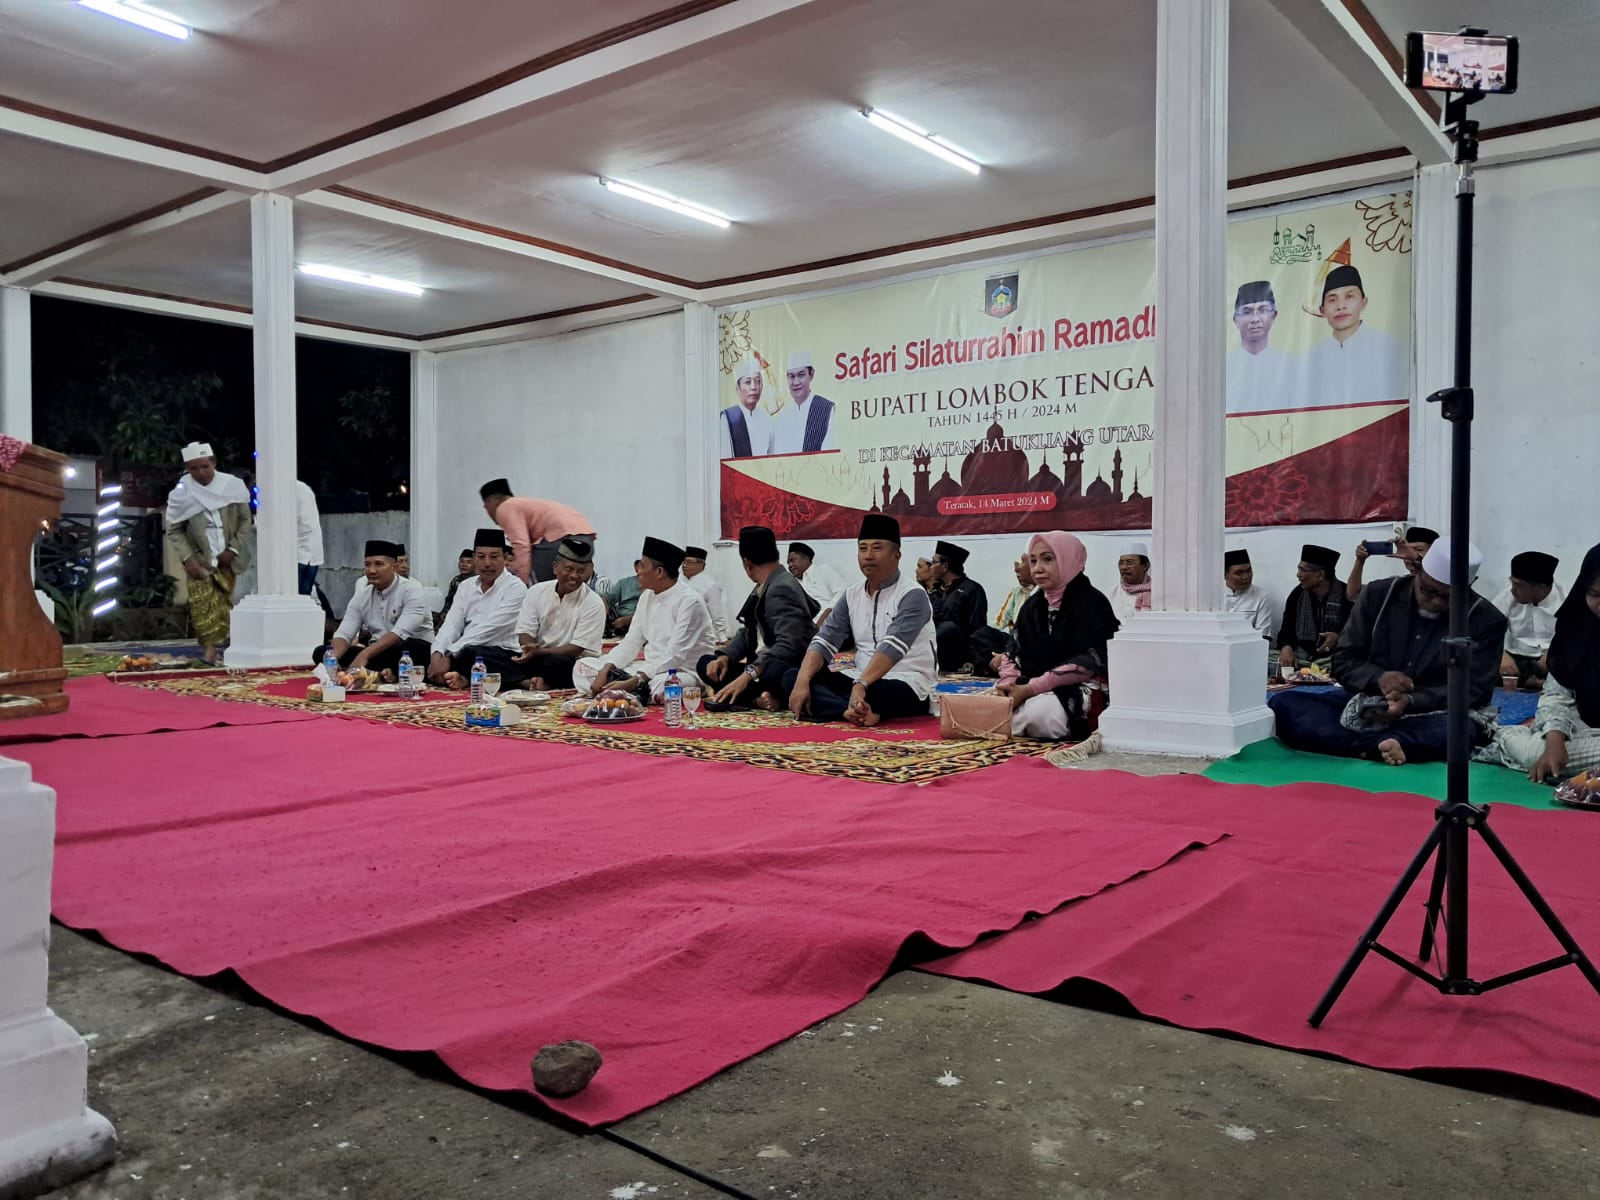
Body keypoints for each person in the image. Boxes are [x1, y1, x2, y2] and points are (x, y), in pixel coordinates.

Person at [1269, 539, 1506, 765]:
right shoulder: (1378, 595)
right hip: (1365, 704)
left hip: (1431, 713)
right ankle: (1386, 746)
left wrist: (1412, 700)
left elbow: (1476, 690)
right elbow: (1343, 660)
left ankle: (1367, 744)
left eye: (1447, 597)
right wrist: (1378, 678)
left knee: (1462, 730)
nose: (1435, 602)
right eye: (1428, 590)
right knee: (1285, 703)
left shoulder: (1485, 619)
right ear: (1418, 572)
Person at [785, 514, 937, 726]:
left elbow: (893, 647)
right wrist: (802, 680)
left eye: (877, 548)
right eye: (863, 549)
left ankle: (842, 706)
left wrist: (862, 685)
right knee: (793, 674)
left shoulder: (912, 594)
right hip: (858, 678)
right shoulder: (851, 595)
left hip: (906, 680)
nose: (868, 556)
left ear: (896, 555)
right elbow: (824, 640)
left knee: (878, 693)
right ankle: (850, 711)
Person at [1480, 544, 1600, 783]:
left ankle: (1514, 743)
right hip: (1584, 727)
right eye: (1595, 594)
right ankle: (1513, 737)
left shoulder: (1558, 601)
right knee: (1542, 753)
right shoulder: (1580, 629)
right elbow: (1557, 694)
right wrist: (1555, 741)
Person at [995, 532, 1120, 740]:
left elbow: (1086, 664)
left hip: (1077, 686)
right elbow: (1013, 651)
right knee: (991, 702)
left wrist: (1029, 689)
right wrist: (1008, 684)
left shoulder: (1091, 603)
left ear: (1068, 559)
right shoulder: (1032, 606)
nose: (1037, 569)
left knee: (1040, 715)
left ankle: (1008, 723)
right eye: (1033, 561)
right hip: (1030, 685)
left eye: (1047, 559)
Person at [573, 537, 717, 702]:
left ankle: (627, 691)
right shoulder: (647, 596)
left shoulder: (690, 601)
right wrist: (606, 668)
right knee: (583, 666)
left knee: (664, 686)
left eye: (642, 565)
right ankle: (628, 692)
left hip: (682, 671)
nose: (638, 571)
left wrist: (636, 681)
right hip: (648, 669)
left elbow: (675, 655)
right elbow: (632, 641)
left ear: (659, 572)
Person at [699, 526, 819, 711]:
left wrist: (747, 675)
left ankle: (754, 697)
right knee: (707, 664)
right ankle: (758, 698)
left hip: (781, 666)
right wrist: (725, 657)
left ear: (747, 562)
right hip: (759, 666)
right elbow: (749, 631)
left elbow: (789, 647)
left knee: (779, 674)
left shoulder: (781, 587)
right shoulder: (766, 583)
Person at [163, 441, 252, 665]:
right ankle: (209, 651)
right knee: (201, 605)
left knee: (224, 604)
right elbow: (174, 529)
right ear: (187, 469)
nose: (200, 472)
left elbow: (245, 521)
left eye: (204, 466)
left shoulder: (233, 486)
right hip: (199, 559)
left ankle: (228, 647)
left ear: (214, 463)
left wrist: (233, 549)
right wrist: (188, 558)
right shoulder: (181, 493)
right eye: (194, 468)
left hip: (229, 559)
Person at [314, 540, 433, 676]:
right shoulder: (362, 596)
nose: (371, 570)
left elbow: (399, 633)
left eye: (378, 564)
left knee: (410, 651)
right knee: (322, 652)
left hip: (407, 649)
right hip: (376, 651)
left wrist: (364, 655)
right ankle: (382, 672)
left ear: (394, 567)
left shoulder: (413, 591)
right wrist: (333, 659)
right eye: (367, 564)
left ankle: (378, 670)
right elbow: (344, 633)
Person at [428, 528, 527, 689]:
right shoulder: (465, 586)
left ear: (505, 558)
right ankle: (461, 676)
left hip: (501, 652)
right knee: (417, 650)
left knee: (476, 655)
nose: (487, 563)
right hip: (464, 649)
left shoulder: (516, 588)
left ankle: (462, 676)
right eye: (481, 557)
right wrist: (437, 653)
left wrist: (451, 653)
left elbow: (489, 629)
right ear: (474, 558)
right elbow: (452, 624)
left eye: (494, 557)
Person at [1306, 264, 1408, 408]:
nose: (1341, 306)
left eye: (1349, 296)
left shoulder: (1387, 347)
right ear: (1323, 310)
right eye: (1332, 299)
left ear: (1363, 302)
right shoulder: (1315, 355)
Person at [511, 537, 606, 690]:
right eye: (569, 569)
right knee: (489, 655)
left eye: (581, 571)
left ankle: (522, 680)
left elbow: (576, 648)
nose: (574, 575)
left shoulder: (593, 603)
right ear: (555, 567)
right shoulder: (536, 591)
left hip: (572, 662)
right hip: (537, 657)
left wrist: (539, 652)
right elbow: (525, 630)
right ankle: (530, 682)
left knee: (554, 663)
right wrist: (528, 647)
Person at [479, 478, 597, 585]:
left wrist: (521, 582)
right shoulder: (523, 504)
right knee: (567, 590)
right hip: (586, 540)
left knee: (543, 588)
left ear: (491, 502)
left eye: (485, 507)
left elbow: (521, 545)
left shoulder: (505, 507)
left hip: (561, 539)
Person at [1493, 551, 1564, 690]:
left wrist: (1555, 651)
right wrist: (1501, 655)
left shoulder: (1565, 600)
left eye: (1518, 585)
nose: (1512, 590)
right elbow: (1487, 630)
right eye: (1512, 583)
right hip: (1516, 660)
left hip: (1550, 660)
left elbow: (1575, 638)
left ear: (1541, 587)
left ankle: (1533, 682)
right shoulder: (1507, 597)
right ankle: (1539, 684)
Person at [1276, 544, 1348, 669]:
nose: (1298, 575)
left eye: (1303, 570)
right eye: (1299, 569)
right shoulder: (1297, 594)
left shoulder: (1346, 595)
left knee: (1347, 664)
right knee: (1268, 658)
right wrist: (1286, 648)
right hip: (1301, 655)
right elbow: (1286, 629)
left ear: (1320, 575)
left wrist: (1338, 636)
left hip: (1332, 657)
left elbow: (1356, 632)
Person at [1225, 281, 1291, 414]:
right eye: (1247, 312)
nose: (1255, 319)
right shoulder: (1225, 366)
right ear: (1235, 320)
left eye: (1263, 310)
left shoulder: (1289, 365)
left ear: (1274, 315)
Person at [927, 541, 990, 672]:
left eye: (933, 562)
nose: (930, 567)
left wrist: (972, 660)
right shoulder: (935, 592)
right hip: (931, 652)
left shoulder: (971, 589)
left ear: (945, 566)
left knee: (948, 628)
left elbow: (978, 627)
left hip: (958, 653)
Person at [1346, 525, 1439, 600]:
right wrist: (1360, 561)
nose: (1408, 556)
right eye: (1406, 551)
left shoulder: (1444, 583)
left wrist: (1417, 559)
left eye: (1418, 550)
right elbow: (1354, 594)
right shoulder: (1396, 586)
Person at [771, 351, 837, 455]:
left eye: (801, 375)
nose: (796, 382)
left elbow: (829, 453)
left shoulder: (826, 409)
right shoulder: (781, 418)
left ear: (811, 375)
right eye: (791, 376)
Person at [1222, 549, 1276, 668]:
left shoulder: (1261, 596)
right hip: (1218, 653)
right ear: (1225, 575)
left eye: (1249, 571)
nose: (1246, 576)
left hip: (1249, 655)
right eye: (1239, 573)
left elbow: (1264, 635)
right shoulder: (1212, 596)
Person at [718, 357, 775, 459]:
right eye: (748, 382)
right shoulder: (728, 419)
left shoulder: (767, 419)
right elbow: (725, 459)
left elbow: (772, 456)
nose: (754, 387)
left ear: (762, 386)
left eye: (757, 381)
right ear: (738, 389)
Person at [787, 542, 847, 625]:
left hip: (828, 625)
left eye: (792, 560)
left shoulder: (822, 570)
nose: (790, 565)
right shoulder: (794, 583)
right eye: (788, 563)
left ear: (806, 559)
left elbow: (842, 593)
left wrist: (824, 618)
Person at [681, 545, 729, 642]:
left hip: (702, 636)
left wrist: (722, 637)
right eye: (683, 562)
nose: (684, 566)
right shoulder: (680, 582)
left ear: (701, 566)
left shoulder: (710, 585)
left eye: (689, 562)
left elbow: (716, 613)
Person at [294, 480, 323, 596]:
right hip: (312, 552)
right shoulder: (302, 487)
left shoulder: (287, 490)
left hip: (299, 554)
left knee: (293, 598)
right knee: (304, 598)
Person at [1110, 543, 1152, 622]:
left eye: (1130, 563)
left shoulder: (1155, 594)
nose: (1124, 567)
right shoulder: (1112, 593)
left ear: (1145, 566)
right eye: (1121, 563)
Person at [437, 548, 475, 625]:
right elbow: (449, 600)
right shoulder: (456, 580)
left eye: (469, 562)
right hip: (453, 615)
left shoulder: (478, 581)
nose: (464, 565)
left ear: (475, 565)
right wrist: (445, 612)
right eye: (462, 561)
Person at [605, 564, 645, 635]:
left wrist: (630, 620)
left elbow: (653, 616)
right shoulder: (624, 583)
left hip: (643, 626)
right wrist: (606, 615)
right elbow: (606, 599)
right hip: (620, 624)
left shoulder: (655, 588)